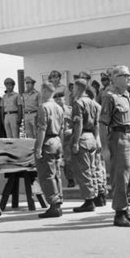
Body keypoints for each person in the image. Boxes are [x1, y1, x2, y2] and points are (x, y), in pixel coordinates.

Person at [99, 65, 130, 227]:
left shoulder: (127, 96)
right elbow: (103, 124)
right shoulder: (110, 97)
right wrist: (104, 147)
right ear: (115, 78)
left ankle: (126, 210)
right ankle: (119, 213)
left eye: (129, 75)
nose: (129, 77)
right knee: (120, 176)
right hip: (119, 137)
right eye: (125, 75)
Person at [35, 82, 64, 219]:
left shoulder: (43, 107)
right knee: (56, 174)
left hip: (47, 141)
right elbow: (62, 128)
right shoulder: (59, 107)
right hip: (57, 141)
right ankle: (58, 201)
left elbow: (42, 128)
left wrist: (38, 148)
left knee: (46, 175)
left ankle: (53, 204)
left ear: (45, 91)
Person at [70, 78, 100, 213]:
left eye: (74, 89)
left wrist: (75, 142)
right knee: (92, 169)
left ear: (77, 89)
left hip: (82, 137)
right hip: (92, 137)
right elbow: (97, 123)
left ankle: (89, 200)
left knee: (83, 171)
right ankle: (96, 196)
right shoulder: (93, 103)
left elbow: (78, 124)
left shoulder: (78, 103)